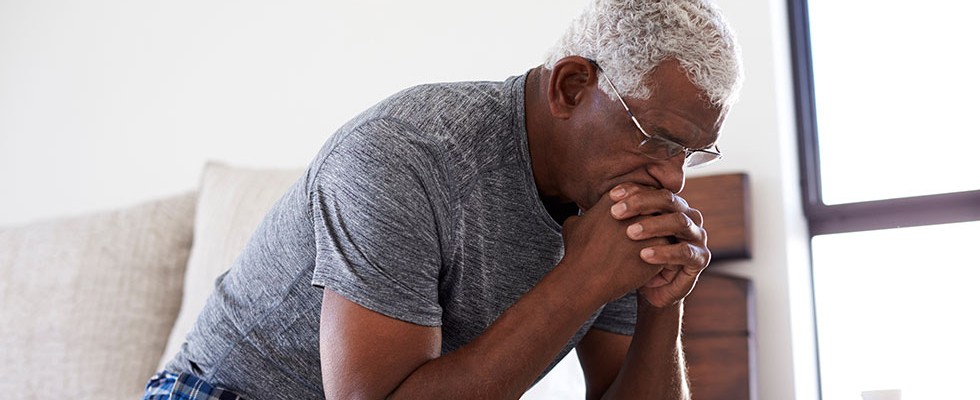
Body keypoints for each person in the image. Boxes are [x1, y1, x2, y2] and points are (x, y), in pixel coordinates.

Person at [144, 0, 743, 398]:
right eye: (657, 141)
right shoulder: (405, 153)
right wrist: (581, 279)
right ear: (572, 85)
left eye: (691, 154)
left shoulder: (609, 200)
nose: (672, 180)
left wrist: (661, 304)